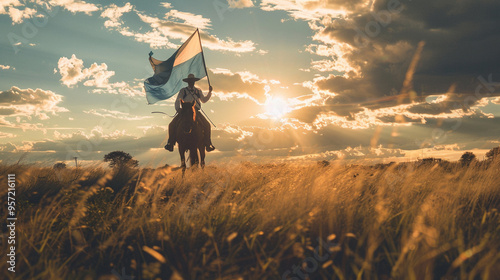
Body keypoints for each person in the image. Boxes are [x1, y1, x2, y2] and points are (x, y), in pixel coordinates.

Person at [165, 74, 215, 152]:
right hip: (184, 111)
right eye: (190, 81)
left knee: (207, 125)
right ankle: (170, 143)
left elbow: (204, 100)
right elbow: (178, 100)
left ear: (194, 82)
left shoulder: (198, 91)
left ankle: (208, 143)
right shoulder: (183, 91)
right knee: (171, 124)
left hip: (195, 111)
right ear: (188, 82)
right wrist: (178, 109)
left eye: (192, 81)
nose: (191, 83)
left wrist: (209, 92)